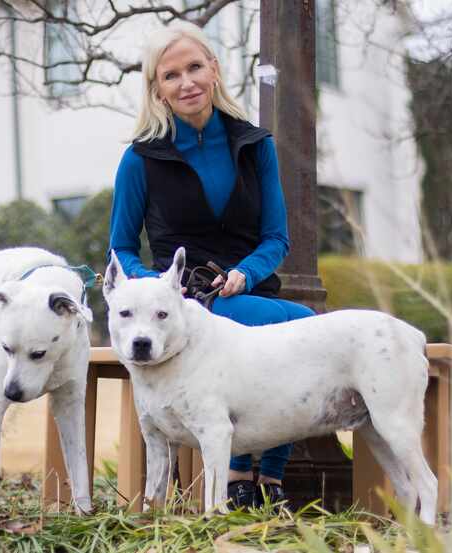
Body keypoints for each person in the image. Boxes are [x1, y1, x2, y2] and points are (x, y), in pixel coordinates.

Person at [108, 21, 316, 508]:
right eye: (171, 75)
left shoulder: (254, 144)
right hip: (181, 308)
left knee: (303, 328)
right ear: (156, 88)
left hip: (249, 290)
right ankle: (242, 469)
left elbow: (276, 237)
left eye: (195, 67)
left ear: (215, 70)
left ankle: (269, 474)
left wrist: (245, 272)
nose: (187, 83)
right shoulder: (141, 159)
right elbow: (120, 247)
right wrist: (155, 290)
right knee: (296, 328)